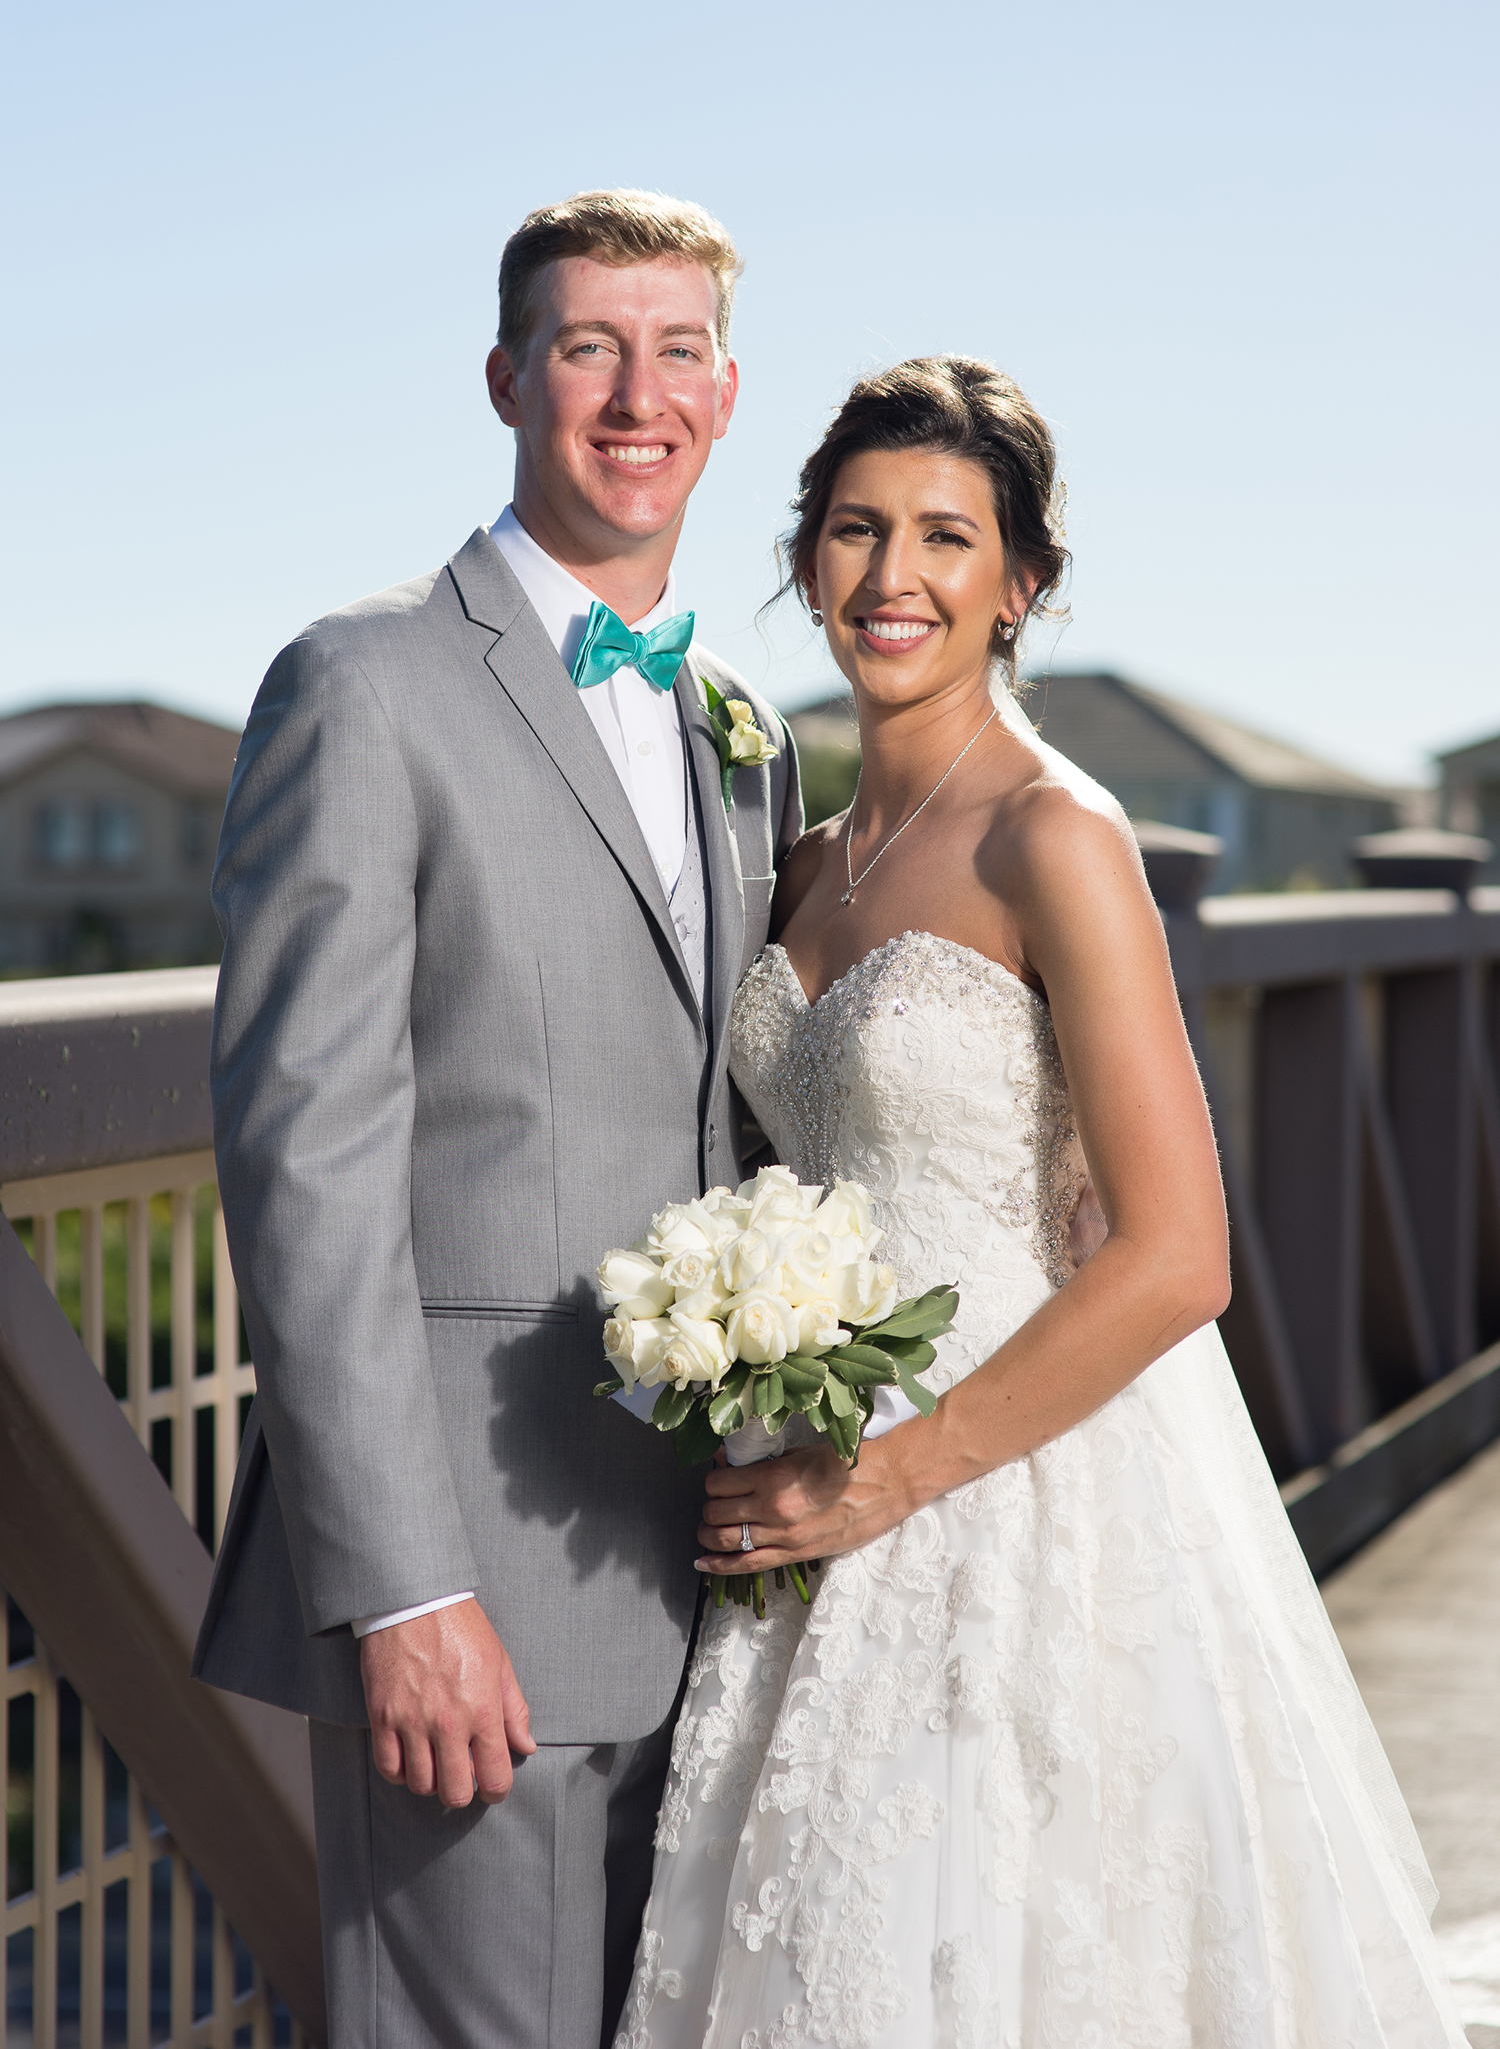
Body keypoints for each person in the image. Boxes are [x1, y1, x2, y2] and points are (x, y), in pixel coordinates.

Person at [614, 356, 1467, 2046]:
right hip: (807, 1487)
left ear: (1022, 583)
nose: (892, 576)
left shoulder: (1054, 836)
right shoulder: (795, 854)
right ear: (804, 560)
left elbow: (1178, 1253)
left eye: (947, 536)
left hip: (1007, 1485)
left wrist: (889, 1476)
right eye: (856, 530)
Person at [192, 188, 802, 2048]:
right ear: (506, 377)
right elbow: (306, 1161)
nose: (641, 394)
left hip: (713, 1562)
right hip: (481, 1584)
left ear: (724, 387)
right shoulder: (361, 683)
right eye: (590, 346)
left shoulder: (733, 721)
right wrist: (403, 1586)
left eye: (679, 348)